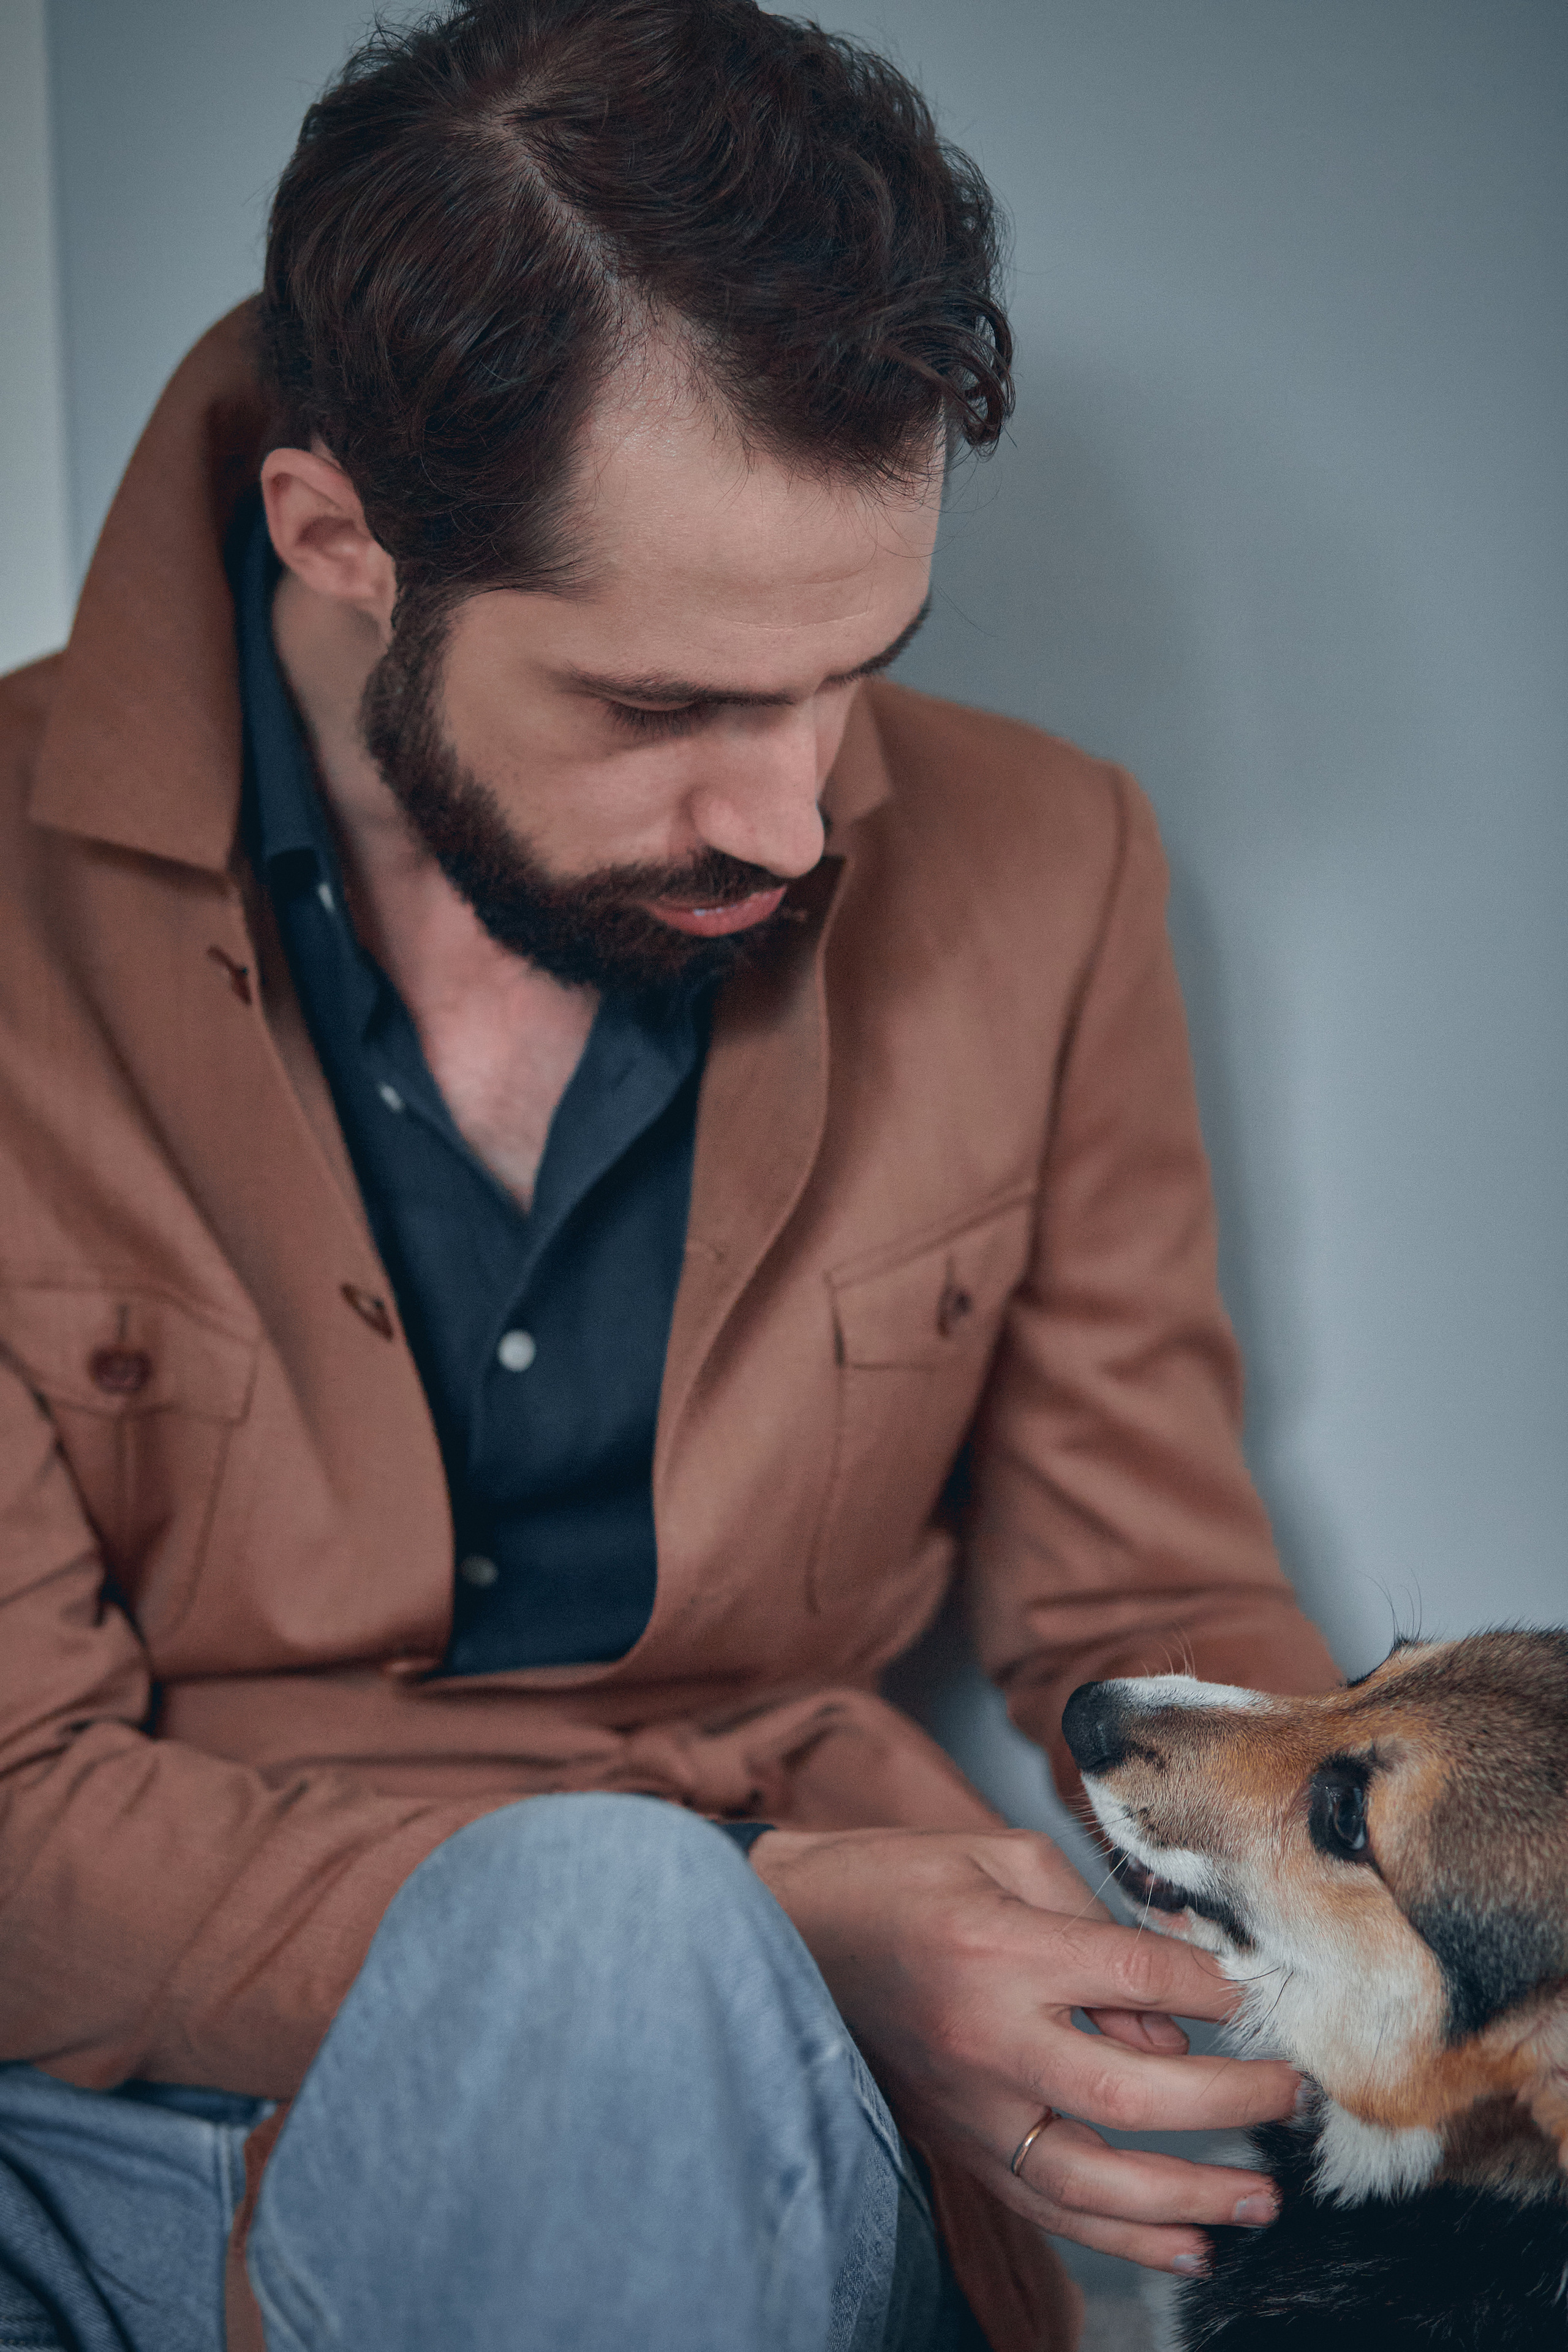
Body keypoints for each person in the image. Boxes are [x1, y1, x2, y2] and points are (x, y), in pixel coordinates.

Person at [0, 2, 1340, 2346]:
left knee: (635, 1954)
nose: (797, 822)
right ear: (338, 540)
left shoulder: (1052, 868)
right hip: (92, 2119)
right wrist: (771, 1909)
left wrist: (1412, 1954)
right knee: (613, 1921)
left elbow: (1146, 1603)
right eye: (661, 708)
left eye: (850, 673)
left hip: (776, 2104)